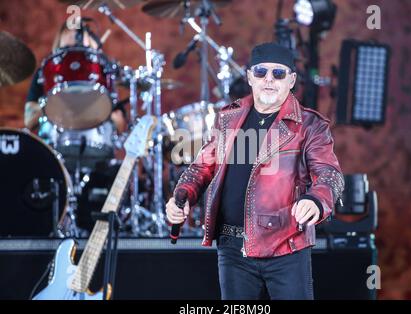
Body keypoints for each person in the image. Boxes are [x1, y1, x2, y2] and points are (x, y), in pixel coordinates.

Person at [166, 42, 344, 300]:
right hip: (232, 248)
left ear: (291, 80)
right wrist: (182, 195)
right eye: (261, 72)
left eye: (278, 73)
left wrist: (316, 200)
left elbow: (330, 174)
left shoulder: (309, 125)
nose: (268, 80)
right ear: (250, 76)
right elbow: (202, 166)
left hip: (286, 247)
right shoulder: (229, 117)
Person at [24, 22, 126, 132]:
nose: (75, 54)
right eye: (68, 48)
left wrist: (104, 113)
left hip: (95, 141)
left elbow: (120, 125)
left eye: (80, 47)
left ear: (91, 48)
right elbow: (29, 121)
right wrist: (50, 107)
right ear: (58, 47)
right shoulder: (44, 72)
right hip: (55, 140)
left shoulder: (103, 73)